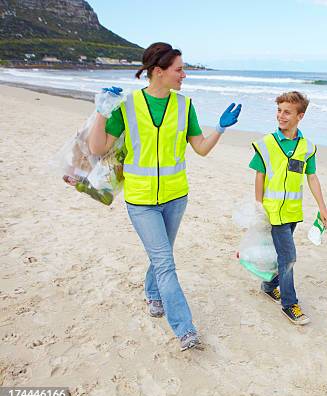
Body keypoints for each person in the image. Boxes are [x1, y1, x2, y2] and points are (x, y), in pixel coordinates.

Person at [88, 42, 242, 351]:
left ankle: (153, 293)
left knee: (162, 256)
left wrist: (220, 129)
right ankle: (185, 329)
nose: (184, 75)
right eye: (179, 69)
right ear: (158, 72)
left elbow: (200, 148)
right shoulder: (127, 106)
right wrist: (101, 112)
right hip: (141, 200)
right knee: (165, 262)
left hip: (176, 196)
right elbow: (98, 148)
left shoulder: (185, 106)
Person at [249, 91, 327, 325]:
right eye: (279, 111)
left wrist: (323, 208)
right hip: (272, 212)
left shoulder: (307, 148)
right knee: (288, 257)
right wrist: (258, 205)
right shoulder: (266, 144)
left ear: (300, 116)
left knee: (280, 255)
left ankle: (268, 285)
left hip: (293, 212)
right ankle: (289, 303)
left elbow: (312, 177)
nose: (281, 116)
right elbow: (260, 175)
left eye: (287, 112)